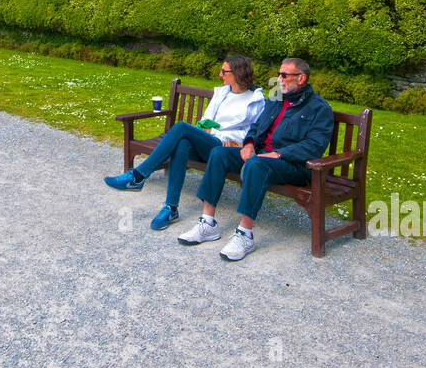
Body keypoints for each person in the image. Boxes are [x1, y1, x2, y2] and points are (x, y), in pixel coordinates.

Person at [177, 57, 335, 262]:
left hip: (293, 165)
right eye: (279, 74)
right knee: (219, 153)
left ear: (301, 78)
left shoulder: (318, 108)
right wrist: (249, 144)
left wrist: (280, 153)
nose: (279, 79)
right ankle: (207, 223)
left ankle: (245, 234)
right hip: (259, 155)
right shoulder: (276, 98)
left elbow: (314, 145)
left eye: (284, 75)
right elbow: (256, 126)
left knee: (255, 164)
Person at [104, 55, 264, 231]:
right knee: (182, 144)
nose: (220, 75)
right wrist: (208, 129)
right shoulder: (222, 93)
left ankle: (138, 176)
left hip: (226, 149)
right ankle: (170, 208)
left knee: (181, 127)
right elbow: (205, 120)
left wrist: (217, 132)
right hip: (209, 142)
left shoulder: (255, 100)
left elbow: (253, 133)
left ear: (238, 73)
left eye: (224, 71)